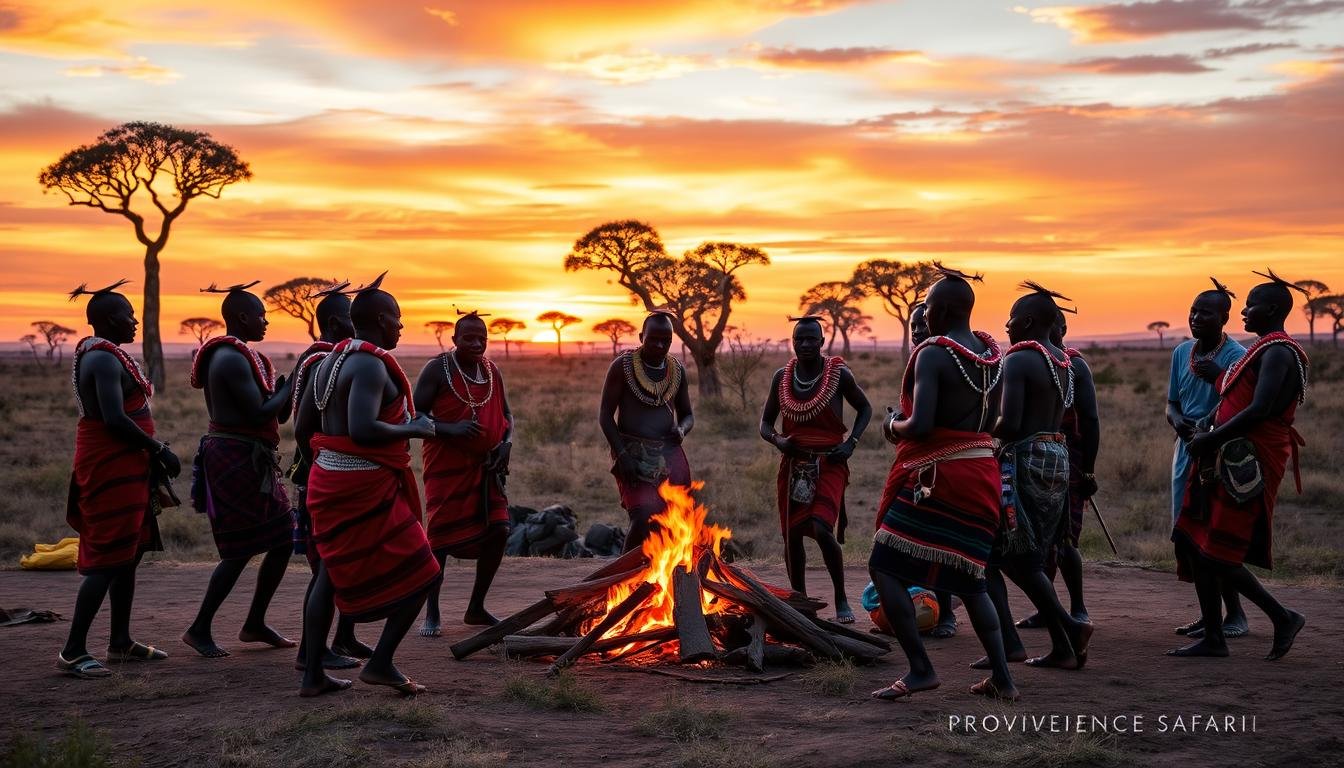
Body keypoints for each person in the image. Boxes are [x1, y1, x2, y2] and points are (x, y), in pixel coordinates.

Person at [868, 266, 1018, 701]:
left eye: (929, 306)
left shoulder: (935, 353)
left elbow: (922, 423)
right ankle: (1004, 680)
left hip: (940, 477)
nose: (925, 315)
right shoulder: (992, 357)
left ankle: (920, 670)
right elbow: (993, 423)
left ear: (946, 309)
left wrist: (893, 425)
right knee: (972, 579)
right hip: (982, 474)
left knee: (883, 565)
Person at [297, 274, 442, 696]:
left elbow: (305, 426)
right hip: (363, 485)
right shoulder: (370, 364)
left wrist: (326, 463)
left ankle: (312, 676)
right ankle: (380, 663)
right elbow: (361, 428)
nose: (402, 327)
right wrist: (414, 428)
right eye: (398, 318)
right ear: (381, 319)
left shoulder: (326, 362)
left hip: (327, 479)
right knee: (426, 571)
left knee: (327, 573)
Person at [1169, 270, 1308, 660]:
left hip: (1244, 461)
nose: (1244, 310)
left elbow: (1260, 409)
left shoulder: (1279, 351)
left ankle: (1282, 617)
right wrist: (1204, 432)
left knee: (1216, 551)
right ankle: (1214, 636)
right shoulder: (1263, 349)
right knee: (1193, 540)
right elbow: (1237, 399)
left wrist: (1209, 438)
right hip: (1221, 454)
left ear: (1274, 310)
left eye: (1251, 304)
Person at [57, 281, 181, 678]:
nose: (134, 320)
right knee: (108, 558)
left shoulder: (107, 355)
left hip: (127, 463)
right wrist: (159, 448)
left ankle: (120, 643)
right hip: (110, 465)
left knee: (128, 555)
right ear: (109, 319)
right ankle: (73, 651)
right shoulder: (103, 360)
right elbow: (113, 418)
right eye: (128, 314)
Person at [981, 281, 1094, 672]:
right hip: (1057, 457)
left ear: (1027, 321)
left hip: (1024, 460)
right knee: (1028, 555)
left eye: (1011, 318)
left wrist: (979, 426)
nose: (1007, 325)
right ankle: (1064, 643)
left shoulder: (1019, 358)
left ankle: (1062, 629)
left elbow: (1010, 424)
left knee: (998, 557)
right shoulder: (1064, 362)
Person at [183, 281, 295, 658]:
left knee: (281, 539)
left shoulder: (250, 357)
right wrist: (293, 383)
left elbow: (277, 411)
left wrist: (285, 391)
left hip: (251, 456)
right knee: (238, 549)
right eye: (261, 315)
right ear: (243, 317)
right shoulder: (229, 358)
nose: (265, 322)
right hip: (235, 457)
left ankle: (254, 623)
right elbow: (262, 412)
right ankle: (199, 629)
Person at [760, 316, 872, 624]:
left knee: (823, 528)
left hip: (830, 463)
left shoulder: (839, 374)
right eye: (800, 339)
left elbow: (865, 408)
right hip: (794, 464)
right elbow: (765, 424)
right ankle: (800, 601)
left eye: (812, 339)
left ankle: (840, 598)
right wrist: (778, 440)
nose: (806, 344)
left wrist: (851, 443)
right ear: (793, 342)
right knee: (792, 535)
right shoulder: (781, 377)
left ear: (823, 342)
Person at [288, 283, 371, 672]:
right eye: (355, 317)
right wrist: (320, 466)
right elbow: (304, 425)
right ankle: (311, 651)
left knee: (345, 564)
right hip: (326, 474)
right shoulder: (321, 361)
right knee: (327, 568)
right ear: (340, 322)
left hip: (332, 471)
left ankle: (343, 637)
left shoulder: (335, 358)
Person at [415, 311, 514, 635]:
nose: (476, 343)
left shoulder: (491, 371)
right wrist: (450, 428)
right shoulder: (437, 369)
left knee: (498, 529)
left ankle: (476, 607)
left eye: (481, 338)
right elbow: (413, 416)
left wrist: (505, 444)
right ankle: (432, 613)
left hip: (487, 468)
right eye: (468, 338)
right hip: (447, 467)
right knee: (441, 539)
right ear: (454, 339)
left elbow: (507, 416)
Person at [1164, 279, 1249, 640]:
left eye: (1206, 312)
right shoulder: (1181, 353)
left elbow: (1240, 402)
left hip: (1220, 451)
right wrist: (1177, 420)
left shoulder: (1238, 356)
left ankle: (1236, 615)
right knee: (1187, 533)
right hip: (1185, 451)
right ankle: (1209, 616)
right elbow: (1171, 402)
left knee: (1214, 535)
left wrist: (1219, 379)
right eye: (1194, 310)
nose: (1197, 317)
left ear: (1224, 317)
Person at [1018, 308, 1099, 627]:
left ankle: (1078, 608)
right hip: (1035, 457)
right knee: (1040, 537)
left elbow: (1090, 419)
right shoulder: (1025, 361)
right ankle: (1048, 608)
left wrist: (1088, 470)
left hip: (1068, 459)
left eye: (1059, 327)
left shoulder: (1074, 363)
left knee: (1065, 538)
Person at [599, 311, 694, 551]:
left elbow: (687, 415)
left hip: (670, 452)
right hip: (631, 451)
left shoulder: (677, 370)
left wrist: (681, 430)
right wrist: (621, 455)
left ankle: (665, 579)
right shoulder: (622, 367)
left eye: (666, 340)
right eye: (654, 339)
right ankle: (621, 580)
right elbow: (605, 416)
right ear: (642, 336)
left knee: (677, 517)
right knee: (642, 517)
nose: (660, 345)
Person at [912, 304, 959, 640]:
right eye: (913, 326)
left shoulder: (940, 360)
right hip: (922, 464)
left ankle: (946, 615)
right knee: (922, 541)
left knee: (940, 543)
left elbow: (923, 424)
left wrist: (894, 427)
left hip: (943, 464)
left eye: (921, 325)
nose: (916, 331)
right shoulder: (922, 360)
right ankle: (928, 609)